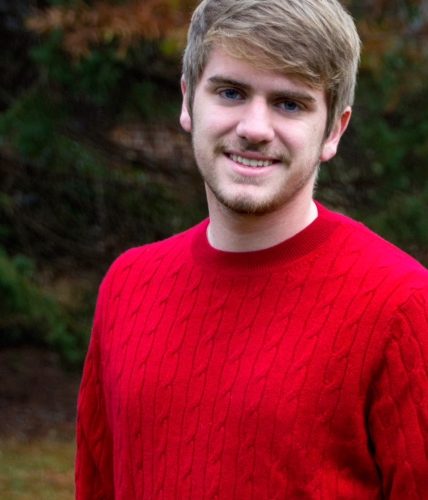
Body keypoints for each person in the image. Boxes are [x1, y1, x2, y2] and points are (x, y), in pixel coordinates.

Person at [75, 0, 428, 498]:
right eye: (231, 92)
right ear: (187, 101)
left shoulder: (403, 304)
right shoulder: (128, 287)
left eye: (289, 103)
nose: (254, 128)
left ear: (334, 130)